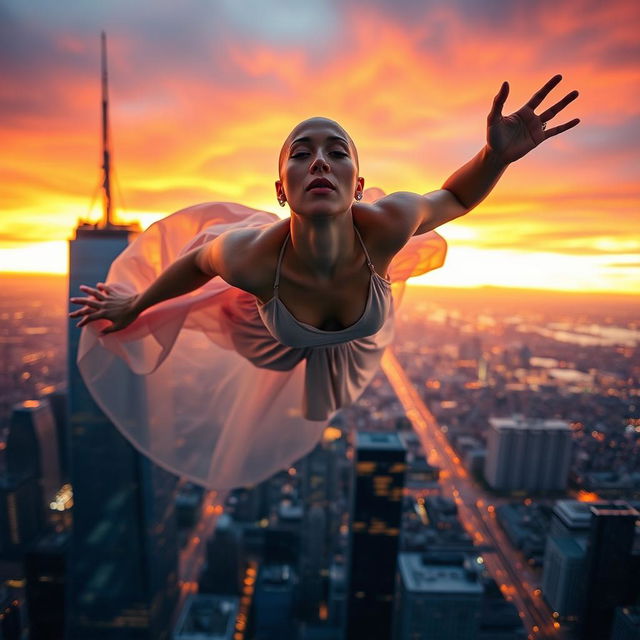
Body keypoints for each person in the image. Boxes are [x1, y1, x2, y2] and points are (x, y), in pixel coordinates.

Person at [69, 75, 579, 489]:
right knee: (273, 353)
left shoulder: (386, 224)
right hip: (264, 334)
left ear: (357, 186)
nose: (318, 161)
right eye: (300, 153)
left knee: (327, 391)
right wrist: (135, 306)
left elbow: (455, 199)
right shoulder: (251, 258)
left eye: (336, 152)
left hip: (353, 334)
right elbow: (197, 263)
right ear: (280, 190)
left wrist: (495, 157)